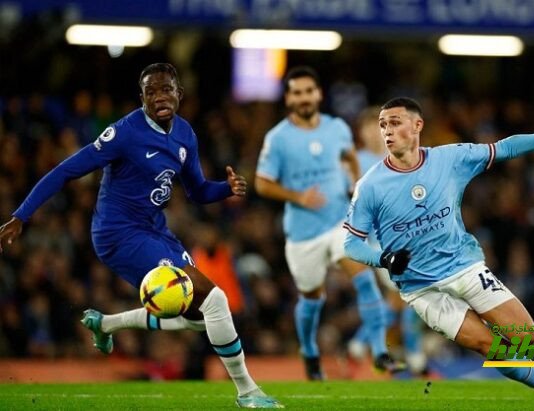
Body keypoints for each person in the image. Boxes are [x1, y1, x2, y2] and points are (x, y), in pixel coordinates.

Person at [0, 63, 282, 409]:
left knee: (198, 320)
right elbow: (66, 170)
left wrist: (227, 189)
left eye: (166, 90)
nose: (160, 97)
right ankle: (248, 393)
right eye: (151, 92)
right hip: (118, 234)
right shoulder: (124, 133)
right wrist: (21, 215)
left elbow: (197, 191)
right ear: (143, 98)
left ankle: (105, 324)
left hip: (154, 230)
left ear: (179, 93)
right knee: (216, 300)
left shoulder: (185, 134)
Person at [344, 96, 534, 410]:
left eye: (395, 122)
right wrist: (383, 259)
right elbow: (351, 243)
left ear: (417, 126)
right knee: (488, 346)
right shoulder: (370, 185)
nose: (387, 131)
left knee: (529, 340)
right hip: (421, 289)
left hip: (466, 270)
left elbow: (506, 147)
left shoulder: (451, 158)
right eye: (383, 124)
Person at [255, 66, 402, 380]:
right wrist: (298, 196)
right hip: (302, 234)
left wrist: (352, 182)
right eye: (297, 92)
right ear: (288, 98)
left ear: (318, 94)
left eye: (309, 91)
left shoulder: (336, 128)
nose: (304, 97)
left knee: (364, 278)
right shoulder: (278, 138)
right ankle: (308, 349)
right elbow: (262, 183)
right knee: (311, 297)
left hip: (339, 224)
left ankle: (378, 351)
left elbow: (349, 157)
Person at [347, 107, 427, 376]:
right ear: (361, 132)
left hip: (407, 237)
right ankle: (414, 353)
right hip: (377, 242)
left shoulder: (399, 157)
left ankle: (359, 343)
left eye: (380, 127)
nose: (376, 132)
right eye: (369, 127)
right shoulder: (356, 161)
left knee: (400, 299)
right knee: (412, 293)